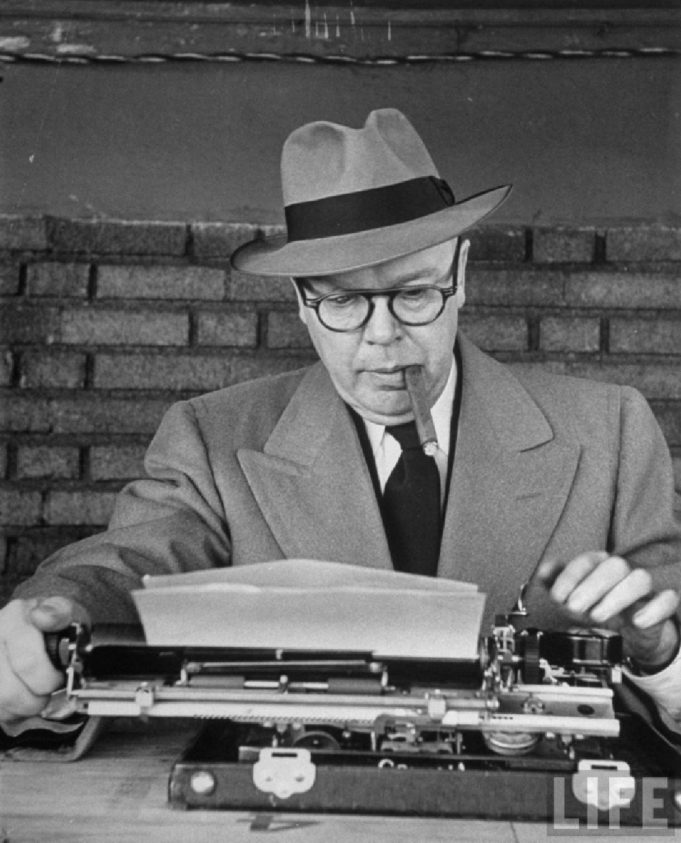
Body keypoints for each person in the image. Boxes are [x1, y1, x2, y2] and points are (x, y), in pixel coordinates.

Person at [1, 108, 680, 726]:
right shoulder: (212, 438)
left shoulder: (611, 430)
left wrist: (660, 653)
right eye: (343, 302)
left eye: (415, 293)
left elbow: (666, 618)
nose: (382, 337)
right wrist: (54, 618)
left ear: (460, 274)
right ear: (301, 301)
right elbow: (124, 568)